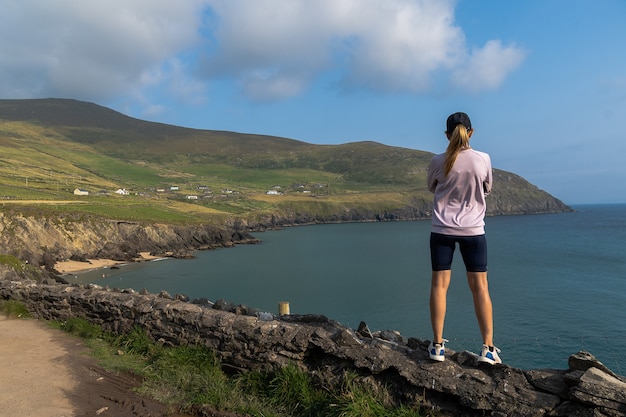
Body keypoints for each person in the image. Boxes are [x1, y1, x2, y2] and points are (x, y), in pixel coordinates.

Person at [425, 112, 501, 365]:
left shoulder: (437, 160)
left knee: (439, 286)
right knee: (480, 288)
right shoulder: (483, 159)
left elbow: (432, 187)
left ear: (447, 135)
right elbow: (487, 188)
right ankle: (488, 349)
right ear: (471, 132)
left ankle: (437, 346)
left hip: (442, 230)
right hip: (473, 232)